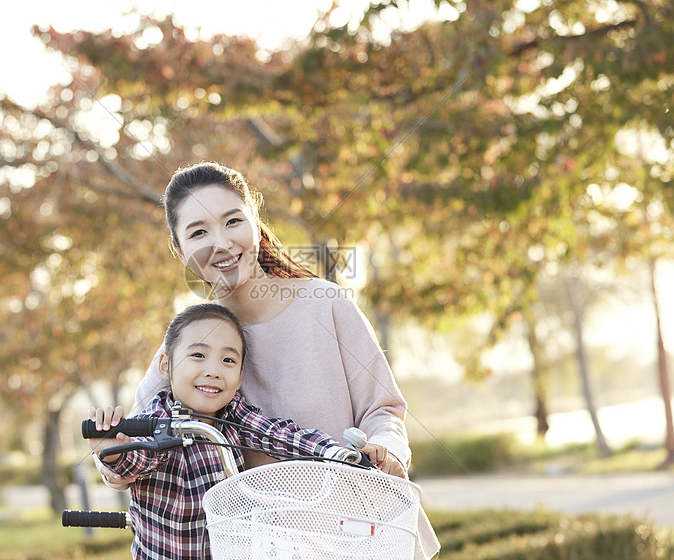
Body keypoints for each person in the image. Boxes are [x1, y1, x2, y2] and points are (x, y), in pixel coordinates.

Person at [94, 161, 439, 558]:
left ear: (255, 221)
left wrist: (385, 451)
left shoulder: (325, 304)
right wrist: (110, 456)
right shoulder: (189, 346)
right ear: (179, 249)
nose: (221, 244)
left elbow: (384, 411)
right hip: (270, 547)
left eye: (232, 222)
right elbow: (138, 445)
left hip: (359, 534)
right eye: (199, 232)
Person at [88, 302, 356, 559]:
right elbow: (138, 459)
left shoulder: (235, 414)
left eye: (228, 360)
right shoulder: (158, 419)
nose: (214, 371)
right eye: (198, 355)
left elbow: (278, 435)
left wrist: (336, 452)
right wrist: (113, 451)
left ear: (240, 376)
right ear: (166, 366)